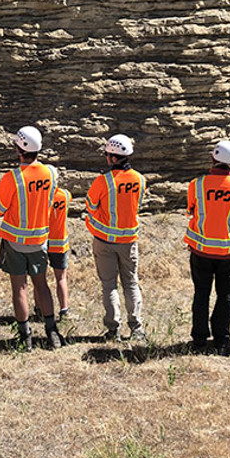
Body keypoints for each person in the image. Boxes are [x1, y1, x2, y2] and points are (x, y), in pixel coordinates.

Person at [184, 141, 230, 355]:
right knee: (226, 297)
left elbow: (191, 210)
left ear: (213, 159)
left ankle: (199, 340)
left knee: (201, 294)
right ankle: (222, 340)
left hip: (201, 250)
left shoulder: (196, 184)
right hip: (228, 253)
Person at [0, 126, 64, 350]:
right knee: (41, 285)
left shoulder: (12, 178)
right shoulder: (51, 174)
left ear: (18, 149)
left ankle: (25, 336)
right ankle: (52, 332)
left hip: (15, 241)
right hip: (40, 239)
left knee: (19, 288)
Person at [85, 134, 147, 343]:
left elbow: (91, 206)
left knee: (109, 285)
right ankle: (137, 328)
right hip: (129, 241)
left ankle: (113, 329)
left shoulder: (103, 181)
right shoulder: (140, 179)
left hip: (104, 240)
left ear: (112, 157)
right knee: (130, 283)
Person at [48, 185, 72, 320]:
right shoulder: (65, 194)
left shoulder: (43, 197)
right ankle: (64, 310)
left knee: (39, 279)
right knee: (61, 278)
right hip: (60, 243)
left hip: (43, 240)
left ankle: (39, 309)